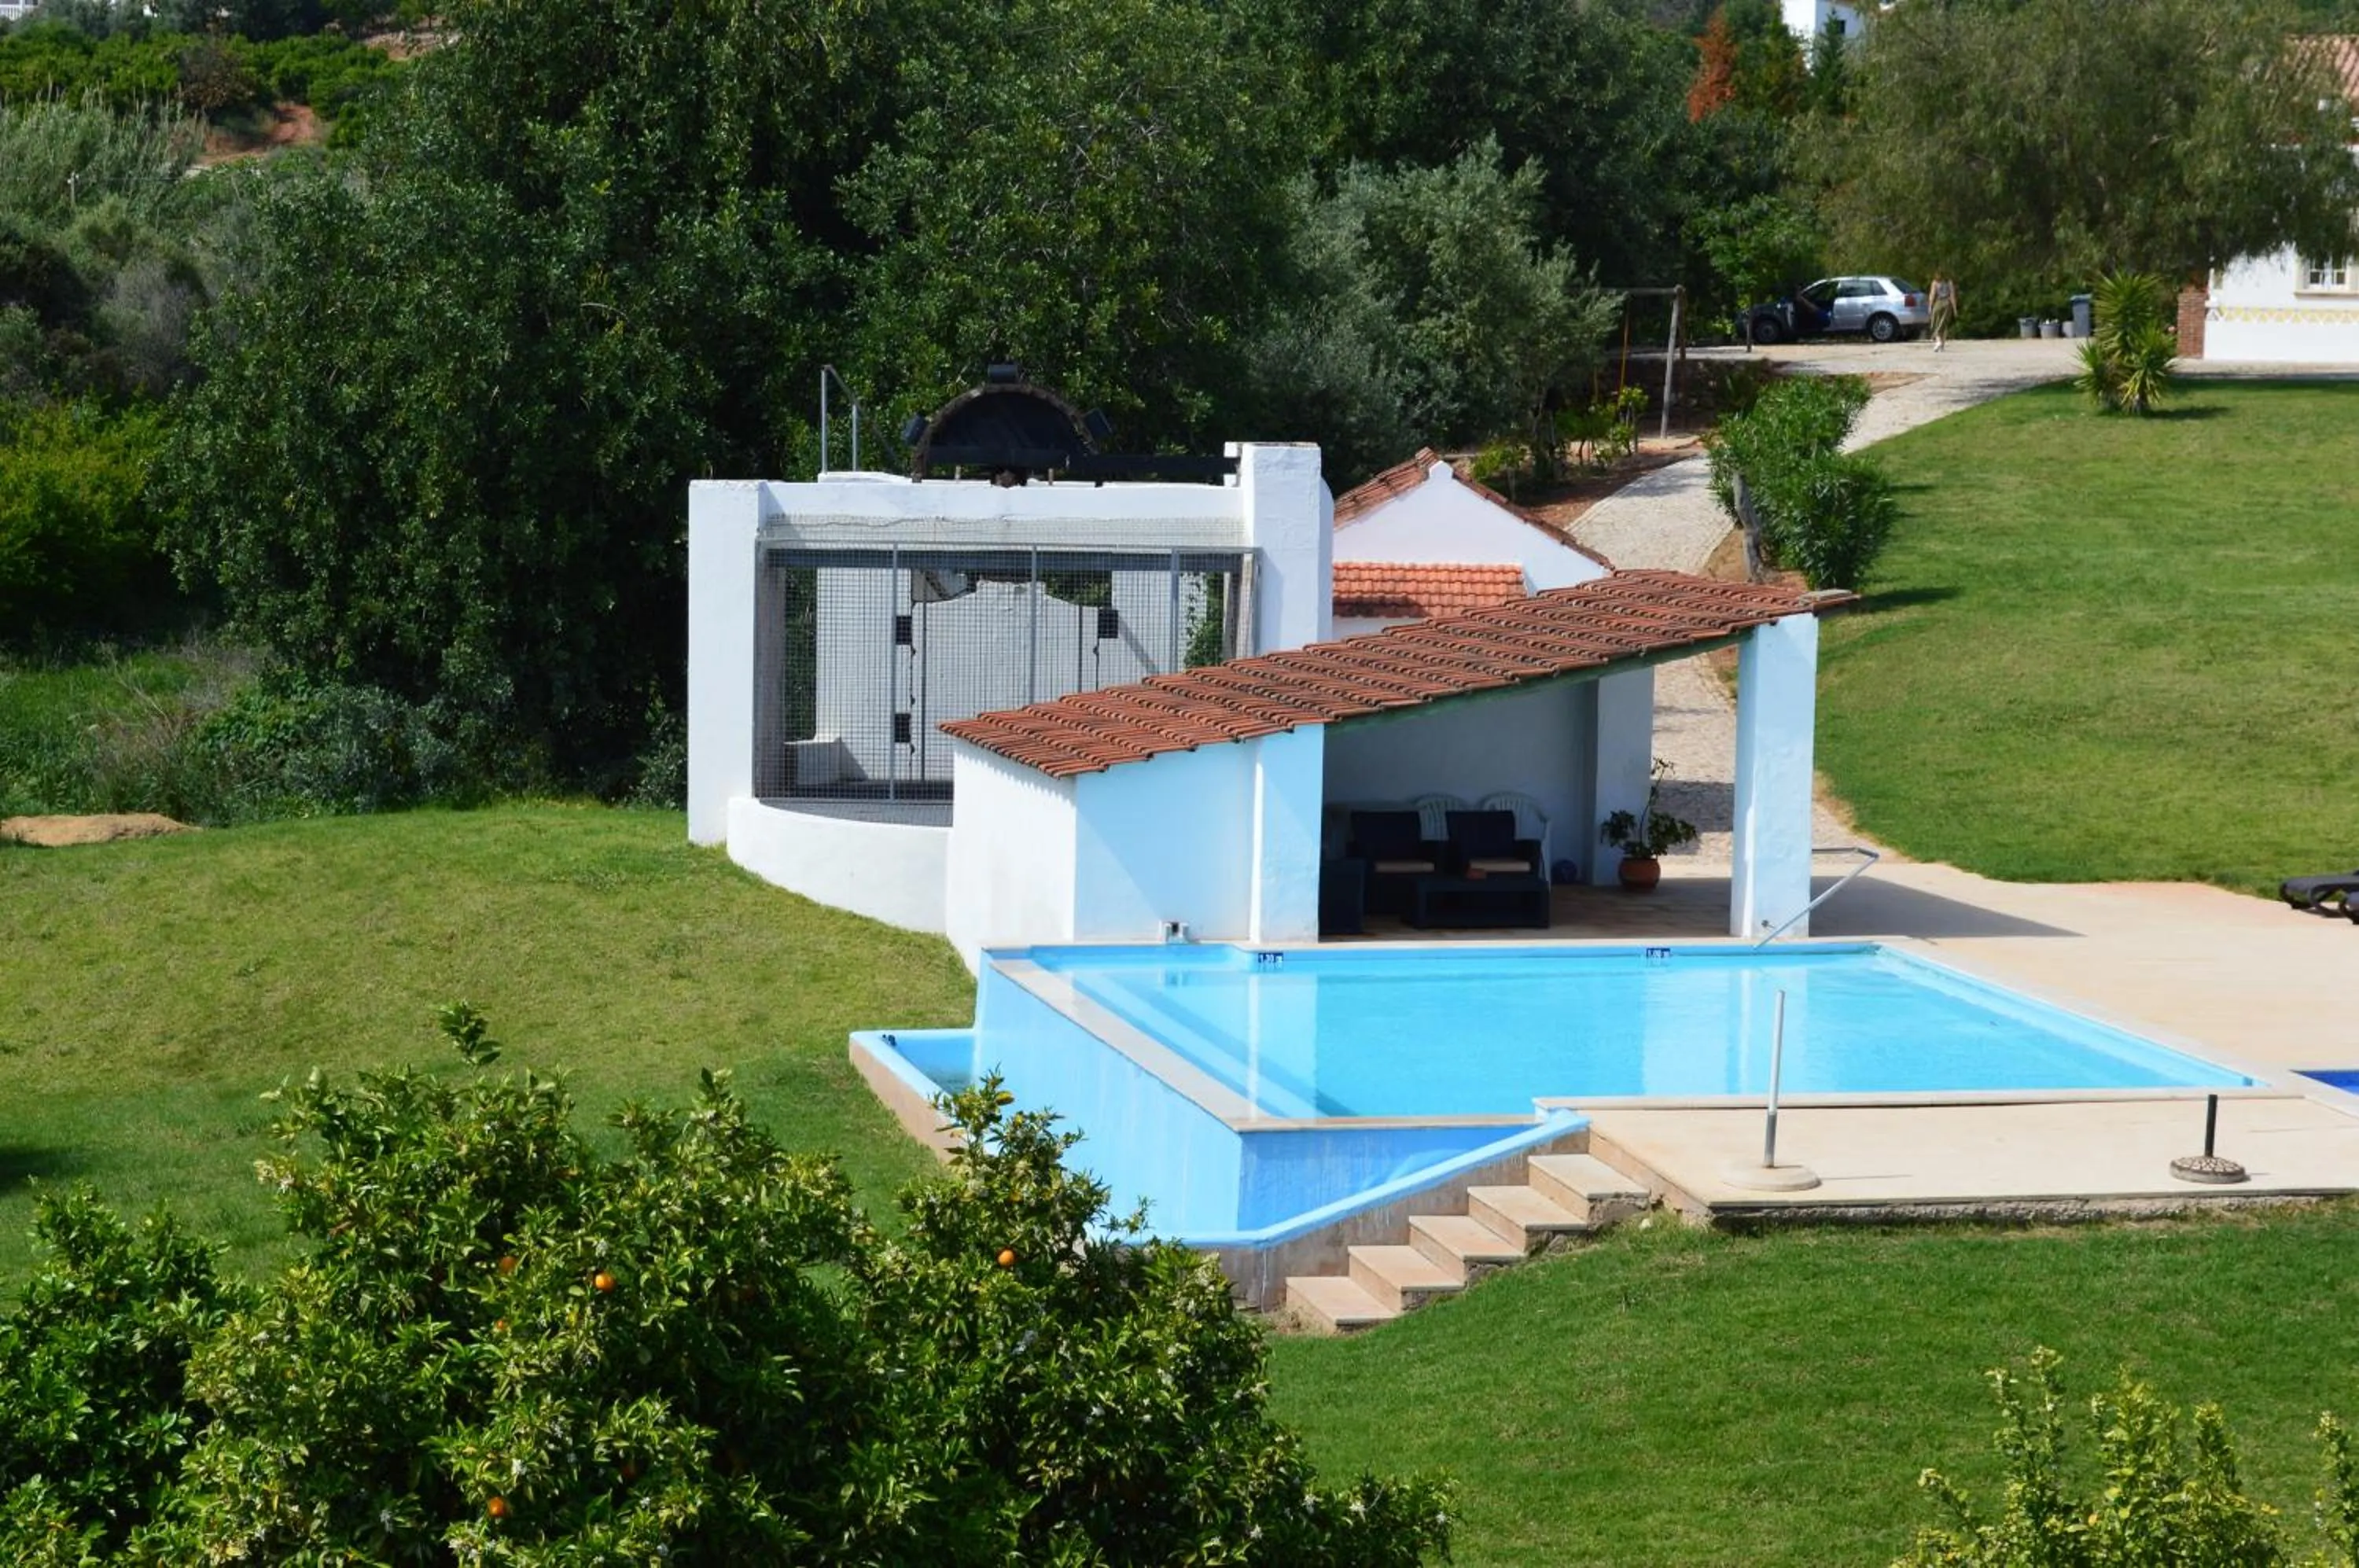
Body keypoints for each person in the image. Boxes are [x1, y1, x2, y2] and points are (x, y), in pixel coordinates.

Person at [1928, 272, 1958, 351]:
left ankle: (1938, 341)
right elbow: (1952, 296)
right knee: (1944, 324)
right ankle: (1942, 345)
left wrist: (1930, 307)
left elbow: (1932, 295)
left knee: (1936, 323)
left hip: (1939, 303)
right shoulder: (1949, 282)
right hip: (1947, 303)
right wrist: (1955, 309)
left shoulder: (1935, 283)